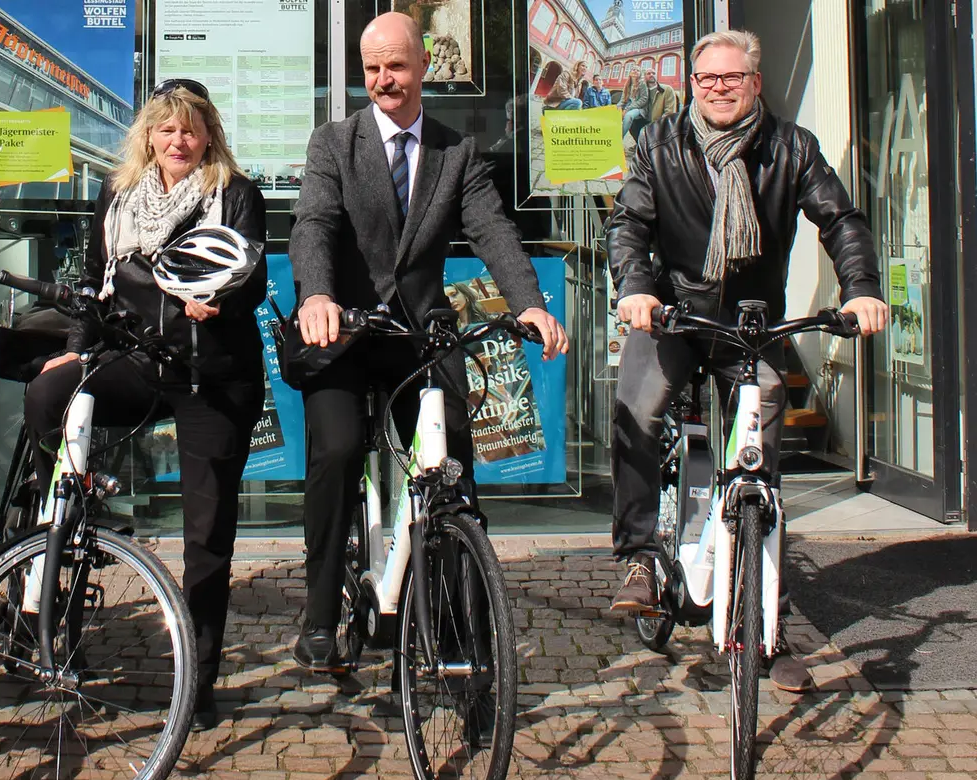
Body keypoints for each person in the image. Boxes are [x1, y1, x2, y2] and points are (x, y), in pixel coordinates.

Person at [605, 30, 888, 692]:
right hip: (675, 316)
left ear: (755, 83)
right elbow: (629, 225)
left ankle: (767, 629)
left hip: (751, 325)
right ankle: (641, 558)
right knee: (637, 410)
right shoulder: (660, 144)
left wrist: (861, 288)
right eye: (707, 79)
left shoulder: (791, 149)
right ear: (692, 85)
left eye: (732, 78)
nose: (719, 89)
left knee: (761, 467)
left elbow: (840, 220)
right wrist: (636, 288)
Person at [288, 12, 568, 674]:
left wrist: (528, 304)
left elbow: (492, 229)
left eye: (396, 65)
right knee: (337, 450)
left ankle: (454, 621)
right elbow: (313, 224)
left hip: (419, 336)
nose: (384, 79)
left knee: (453, 466)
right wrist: (317, 295)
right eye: (372, 68)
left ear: (424, 66)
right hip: (344, 333)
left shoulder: (456, 151)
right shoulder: (334, 143)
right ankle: (320, 613)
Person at [23, 77, 267, 732]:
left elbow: (250, 278)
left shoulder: (234, 193)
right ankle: (66, 514)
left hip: (212, 372)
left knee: (206, 534)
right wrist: (76, 349)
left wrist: (218, 302)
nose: (178, 140)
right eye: (167, 128)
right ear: (149, 135)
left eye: (191, 129)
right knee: (48, 393)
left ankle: (198, 679)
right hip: (138, 358)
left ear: (209, 135)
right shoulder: (118, 193)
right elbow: (91, 283)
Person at [621, 69, 655, 138]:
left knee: (628, 116)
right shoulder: (628, 85)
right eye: (633, 69)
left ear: (640, 74)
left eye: (638, 70)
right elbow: (623, 99)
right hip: (630, 107)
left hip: (640, 109)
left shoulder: (642, 83)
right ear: (630, 73)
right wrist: (619, 106)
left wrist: (627, 109)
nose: (635, 71)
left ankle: (619, 138)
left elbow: (644, 99)